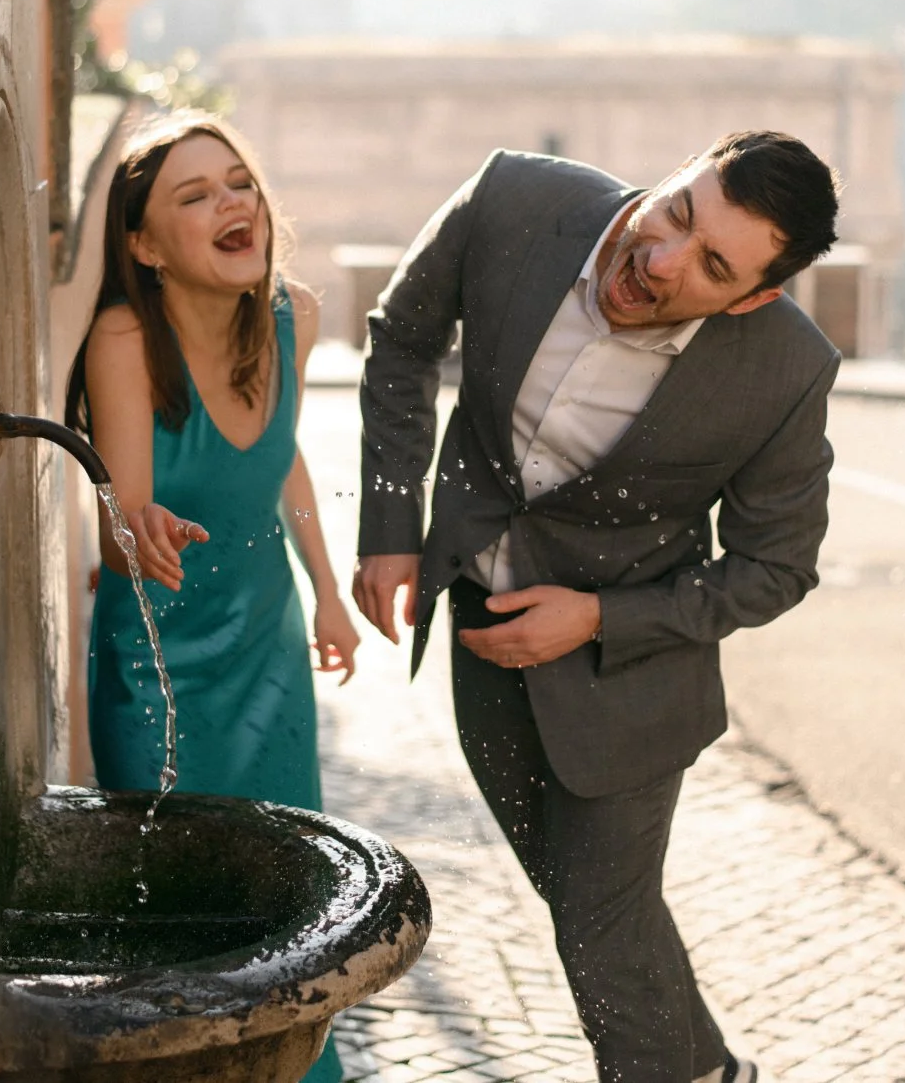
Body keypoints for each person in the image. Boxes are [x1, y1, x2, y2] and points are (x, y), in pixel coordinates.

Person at [353, 131, 842, 1083]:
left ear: (754, 296)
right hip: (482, 631)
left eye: (709, 265)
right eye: (677, 211)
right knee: (593, 907)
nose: (658, 259)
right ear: (678, 172)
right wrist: (389, 522)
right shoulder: (512, 199)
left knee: (601, 924)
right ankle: (711, 1070)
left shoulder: (786, 369)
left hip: (634, 675)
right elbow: (404, 335)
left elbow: (776, 568)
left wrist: (597, 619)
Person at [66, 112, 358, 1083]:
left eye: (238, 181)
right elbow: (124, 508)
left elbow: (286, 461)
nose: (232, 200)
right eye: (194, 194)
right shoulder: (122, 336)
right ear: (144, 245)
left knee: (284, 898)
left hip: (266, 653)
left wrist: (326, 591)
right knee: (174, 906)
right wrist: (137, 531)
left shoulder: (295, 315)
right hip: (155, 657)